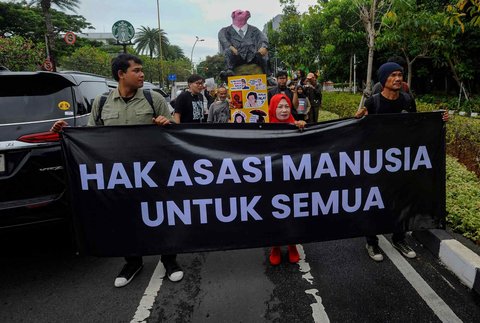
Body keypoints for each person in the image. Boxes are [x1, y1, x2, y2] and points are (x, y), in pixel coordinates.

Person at [50, 53, 184, 287]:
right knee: (126, 217)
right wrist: (65, 131)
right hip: (119, 175)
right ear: (122, 74)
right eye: (137, 70)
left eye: (142, 70)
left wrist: (168, 124)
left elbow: (177, 132)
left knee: (162, 215)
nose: (142, 74)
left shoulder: (153, 99)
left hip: (153, 173)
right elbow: (92, 139)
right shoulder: (102, 102)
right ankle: (133, 261)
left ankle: (169, 259)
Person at [355, 62, 449, 262]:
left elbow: (416, 125)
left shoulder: (407, 100)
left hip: (401, 163)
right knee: (374, 202)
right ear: (384, 79)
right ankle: (371, 242)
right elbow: (360, 132)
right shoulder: (373, 103)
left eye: (400, 75)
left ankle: (399, 239)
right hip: (377, 163)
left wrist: (439, 119)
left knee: (401, 201)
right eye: (393, 75)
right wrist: (358, 119)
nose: (398, 78)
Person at [267, 93, 306, 265]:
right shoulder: (262, 128)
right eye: (279, 107)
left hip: (291, 178)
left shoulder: (297, 126)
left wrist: (303, 128)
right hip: (271, 179)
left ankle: (292, 245)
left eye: (286, 107)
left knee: (292, 211)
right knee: (273, 213)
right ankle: (275, 246)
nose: (283, 110)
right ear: (272, 108)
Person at [218, 9, 269, 75]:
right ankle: (229, 70)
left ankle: (268, 75)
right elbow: (223, 39)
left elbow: (263, 38)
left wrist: (263, 46)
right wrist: (230, 46)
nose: (245, 13)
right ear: (233, 15)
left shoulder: (255, 30)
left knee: (264, 53)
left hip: (253, 55)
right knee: (228, 51)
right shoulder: (225, 30)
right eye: (240, 13)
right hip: (236, 57)